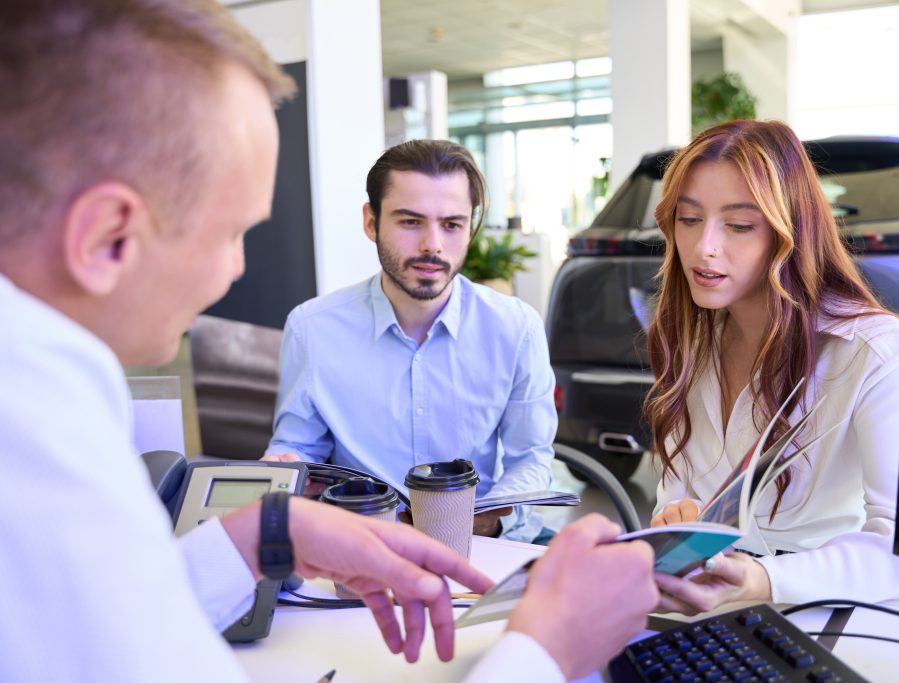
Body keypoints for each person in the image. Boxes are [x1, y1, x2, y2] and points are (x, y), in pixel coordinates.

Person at [0, 2, 658, 682]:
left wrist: (265, 534)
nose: (237, 269)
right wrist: (546, 649)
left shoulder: (42, 382)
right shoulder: (38, 426)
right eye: (231, 232)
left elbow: (125, 621)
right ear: (107, 235)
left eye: (453, 224)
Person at [642, 119, 899, 615]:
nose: (703, 247)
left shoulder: (872, 349)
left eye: (738, 225)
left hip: (861, 610)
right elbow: (677, 496)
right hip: (731, 602)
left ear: (791, 233)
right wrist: (678, 527)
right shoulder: (695, 337)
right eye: (688, 218)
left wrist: (763, 580)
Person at [264, 139, 556, 543]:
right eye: (410, 222)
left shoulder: (516, 328)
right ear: (371, 222)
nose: (432, 245)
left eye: (452, 224)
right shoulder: (312, 328)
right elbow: (297, 449)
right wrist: (286, 468)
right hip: (362, 545)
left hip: (480, 545)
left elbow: (532, 460)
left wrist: (491, 519)